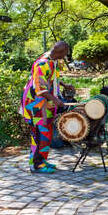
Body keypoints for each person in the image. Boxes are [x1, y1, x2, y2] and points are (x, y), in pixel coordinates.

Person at [20, 41, 74, 173]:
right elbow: (40, 90)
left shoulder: (52, 59)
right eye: (66, 52)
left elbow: (49, 78)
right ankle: (36, 165)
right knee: (40, 136)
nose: (66, 55)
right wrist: (56, 100)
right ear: (60, 52)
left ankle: (41, 161)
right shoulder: (43, 63)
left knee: (46, 135)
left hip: (45, 106)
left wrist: (64, 85)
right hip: (36, 106)